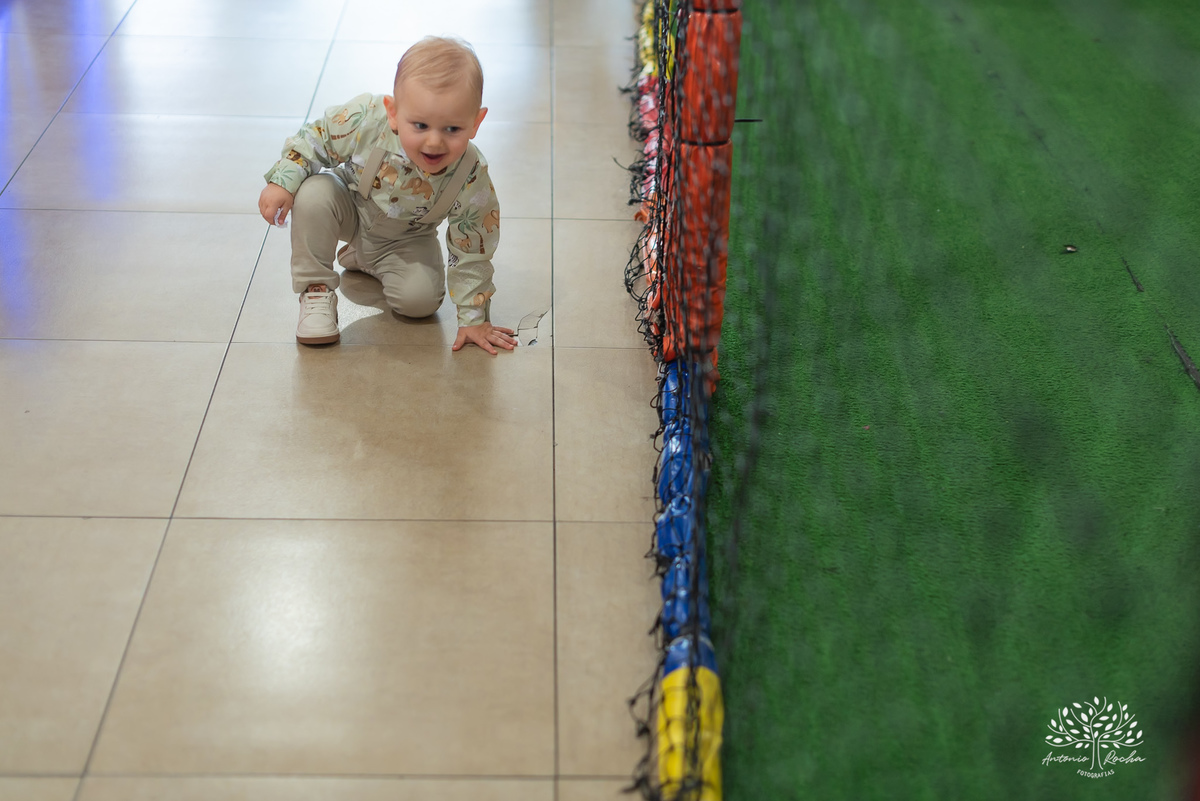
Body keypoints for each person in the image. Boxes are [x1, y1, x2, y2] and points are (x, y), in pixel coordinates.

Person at [258, 36, 516, 354]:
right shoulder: (367, 119)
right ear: (393, 113)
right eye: (420, 125)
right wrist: (284, 179)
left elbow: (472, 247)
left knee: (420, 302)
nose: (434, 142)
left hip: (407, 239)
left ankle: (366, 259)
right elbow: (318, 136)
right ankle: (317, 289)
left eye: (452, 129)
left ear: (476, 122)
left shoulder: (471, 173)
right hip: (349, 208)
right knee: (313, 193)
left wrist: (473, 318)